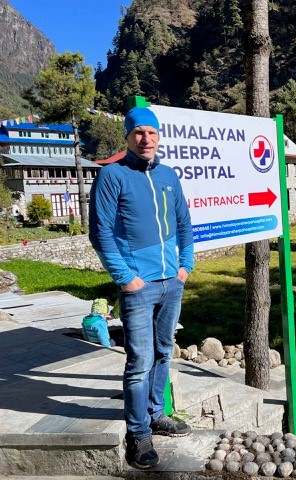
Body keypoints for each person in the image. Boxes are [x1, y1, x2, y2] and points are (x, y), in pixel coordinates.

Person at [89, 107, 195, 470]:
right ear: (128, 136)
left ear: (159, 136)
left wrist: (185, 266)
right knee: (139, 363)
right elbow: (100, 233)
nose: (145, 139)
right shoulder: (112, 175)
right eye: (138, 133)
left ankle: (156, 413)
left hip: (172, 283)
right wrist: (126, 278)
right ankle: (138, 433)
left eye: (151, 132)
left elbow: (184, 223)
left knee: (164, 352)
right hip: (138, 286)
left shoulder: (168, 175)